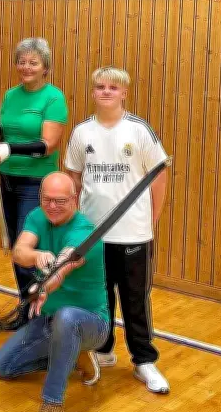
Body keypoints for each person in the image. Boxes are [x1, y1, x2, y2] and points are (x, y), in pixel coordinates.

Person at [64, 66, 169, 394]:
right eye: (100, 87)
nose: (106, 92)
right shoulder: (82, 132)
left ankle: (143, 360)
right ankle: (104, 350)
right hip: (94, 236)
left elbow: (159, 177)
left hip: (133, 234)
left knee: (135, 298)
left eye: (113, 87)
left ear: (124, 93)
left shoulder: (139, 131)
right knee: (100, 296)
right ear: (93, 92)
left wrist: (151, 220)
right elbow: (73, 175)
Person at [0, 172, 108, 412]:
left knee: (67, 318)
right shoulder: (37, 217)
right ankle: (71, 353)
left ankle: (52, 402)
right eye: (47, 200)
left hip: (92, 323)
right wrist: (37, 254)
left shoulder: (84, 232)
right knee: (4, 367)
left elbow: (65, 264)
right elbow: (20, 253)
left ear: (74, 199)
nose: (52, 206)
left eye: (60, 201)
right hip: (50, 322)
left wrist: (46, 284)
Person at [0, 38, 68, 312]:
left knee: (29, 245)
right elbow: (4, 134)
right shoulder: (11, 95)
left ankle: (41, 310)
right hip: (7, 180)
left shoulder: (53, 97)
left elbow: (48, 146)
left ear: (45, 67)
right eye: (21, 62)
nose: (26, 67)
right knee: (16, 248)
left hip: (35, 184)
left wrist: (9, 148)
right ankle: (27, 305)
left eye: (33, 62)